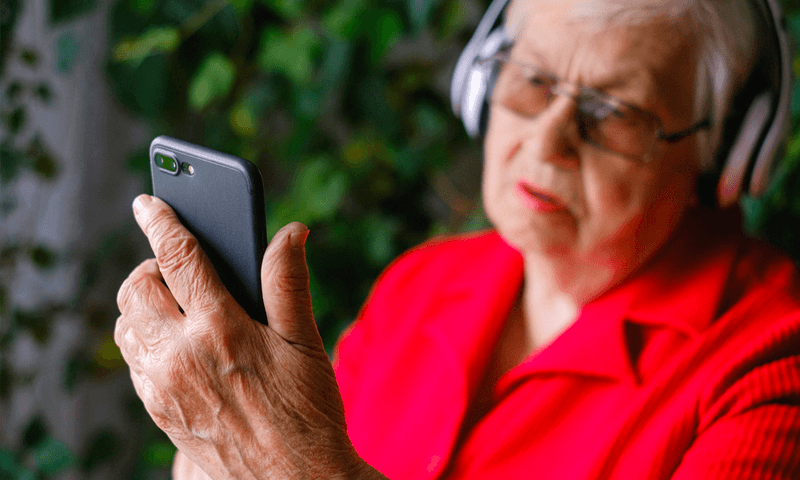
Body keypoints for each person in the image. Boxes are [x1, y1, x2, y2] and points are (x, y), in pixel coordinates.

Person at [115, 0, 800, 478]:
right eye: (532, 79)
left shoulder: (772, 367)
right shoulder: (425, 282)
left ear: (724, 156)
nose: (549, 139)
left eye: (614, 113)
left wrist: (285, 464)